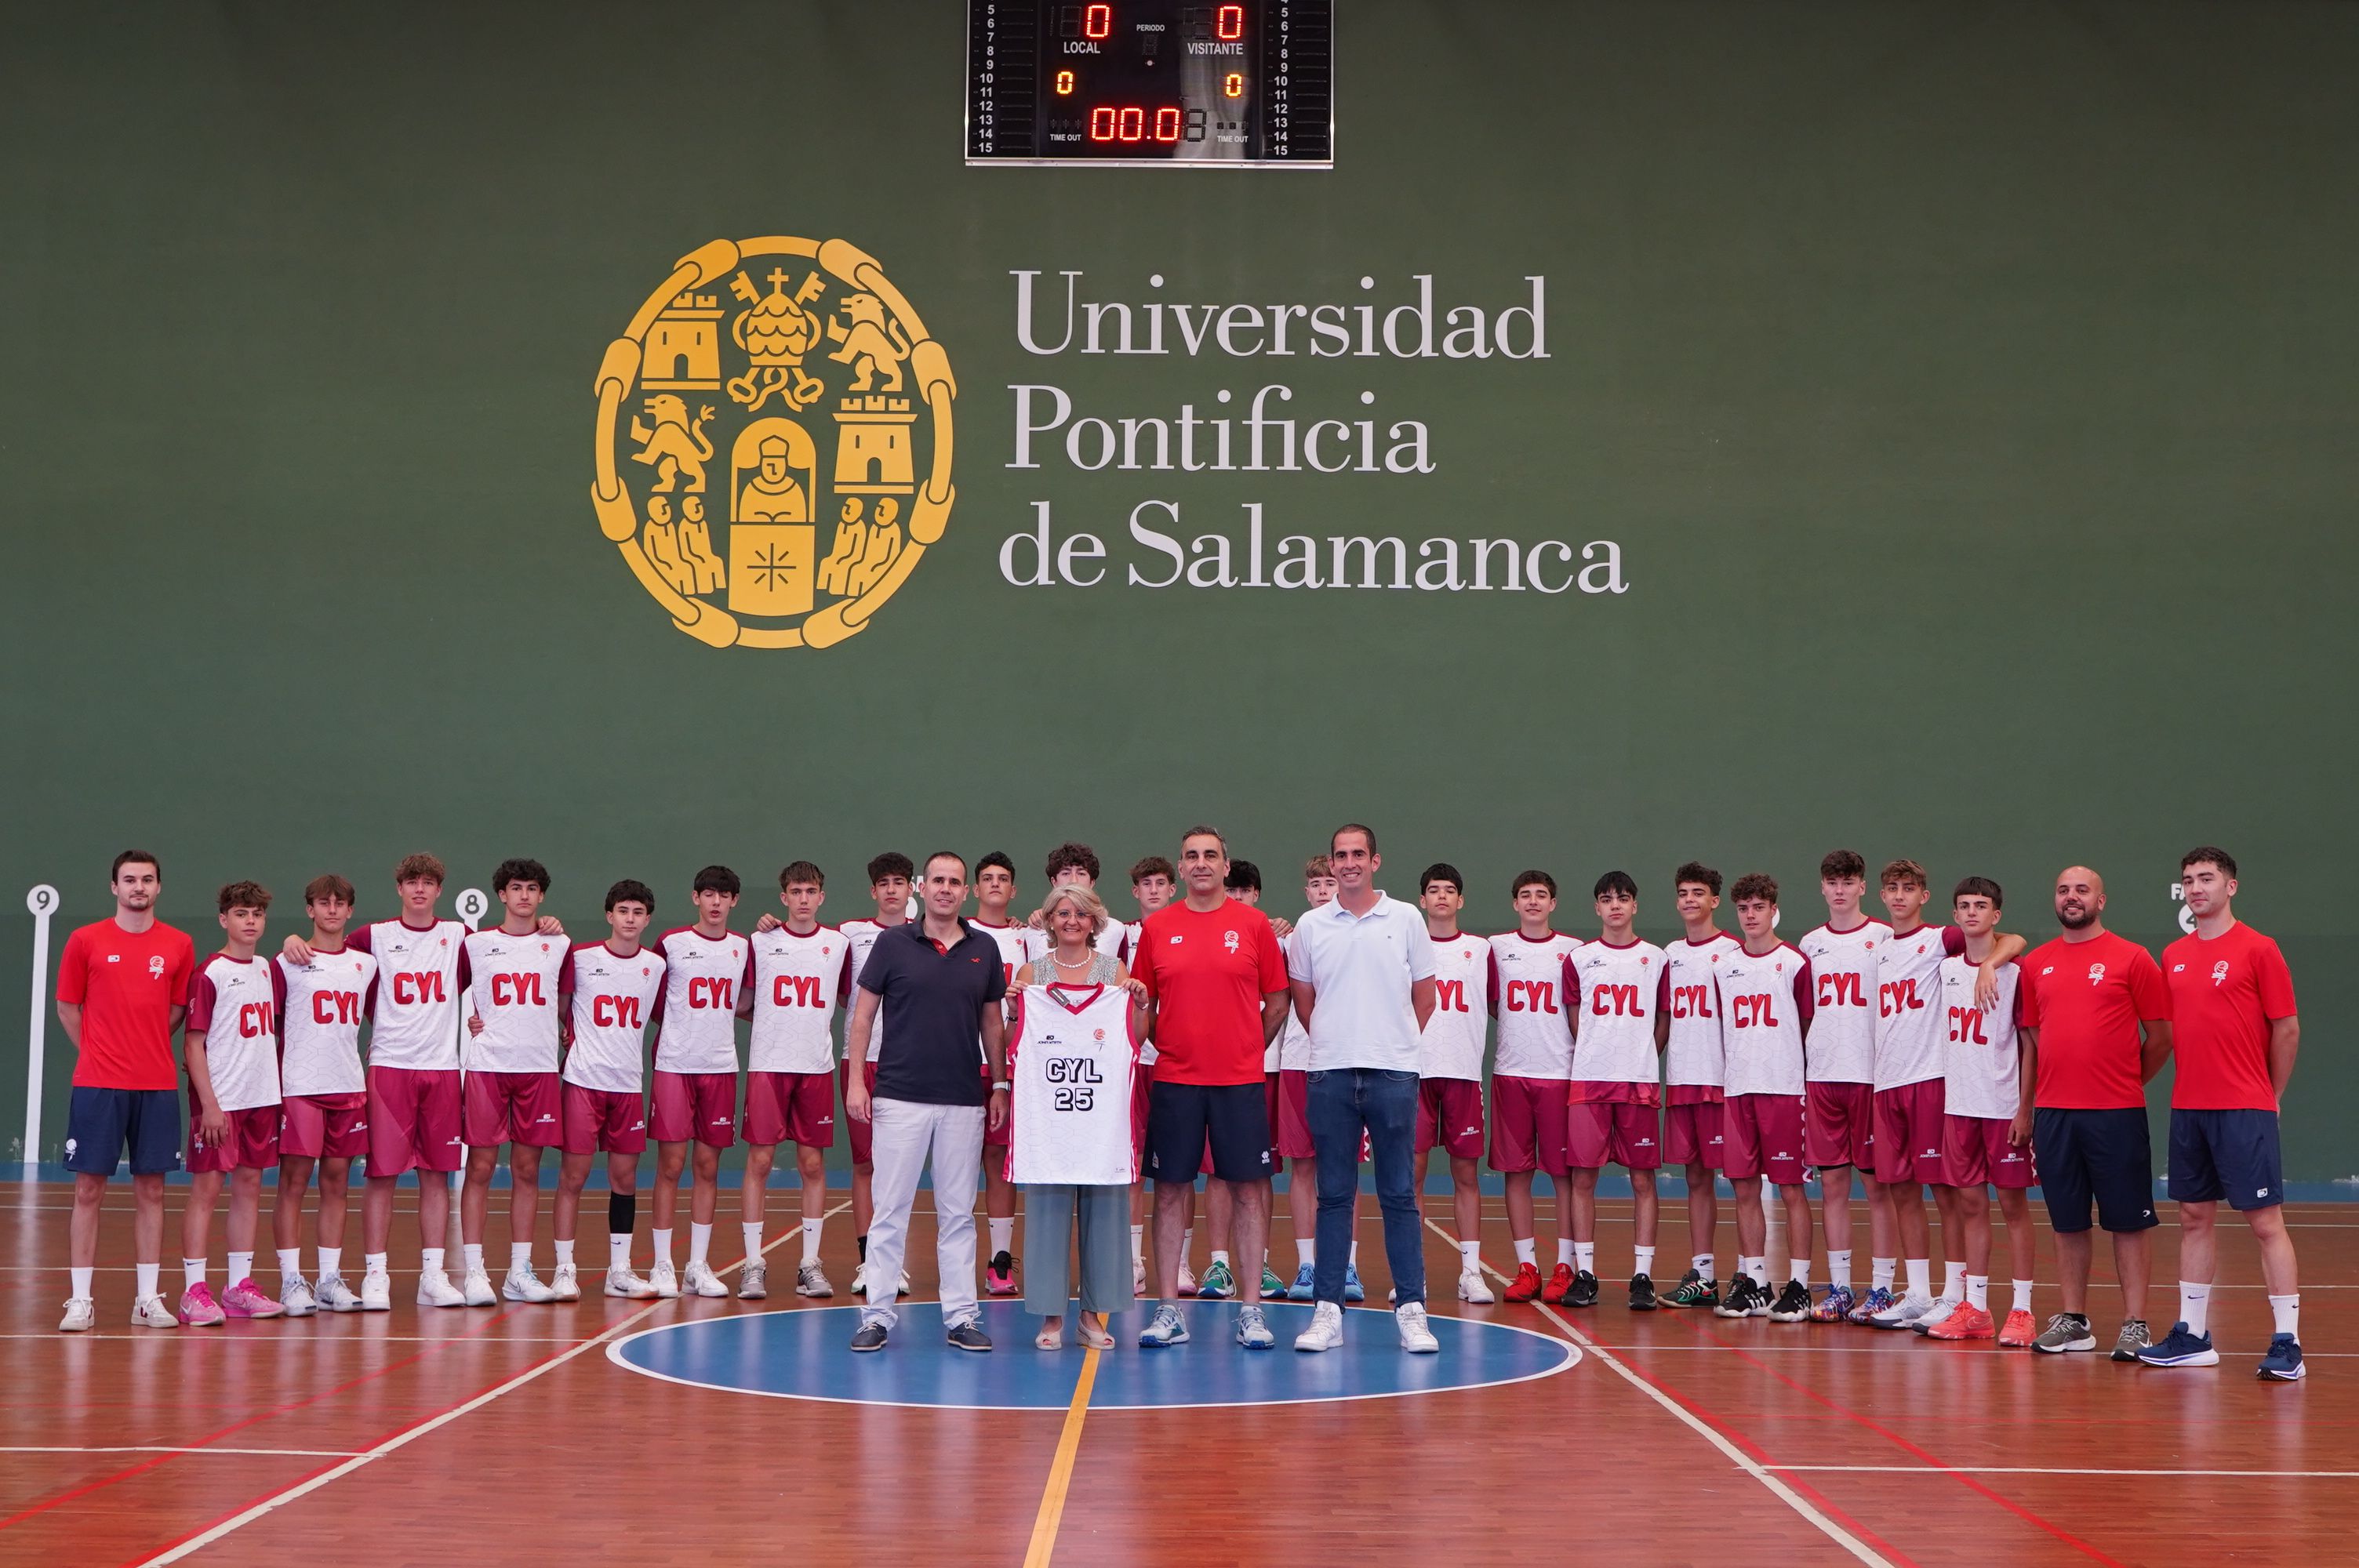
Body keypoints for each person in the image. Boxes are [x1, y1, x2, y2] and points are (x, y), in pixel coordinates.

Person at [285, 853, 476, 1311]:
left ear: (439, 890)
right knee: (382, 1176)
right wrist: (292, 937)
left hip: (442, 1069)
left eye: (428, 882)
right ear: (399, 888)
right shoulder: (371, 937)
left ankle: (434, 1275)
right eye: (411, 881)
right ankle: (376, 1274)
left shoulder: (459, 937)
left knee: (437, 1175)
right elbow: (329, 957)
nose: (419, 889)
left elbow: (497, 969)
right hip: (389, 1069)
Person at [2141, 847, 2303, 1379]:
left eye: (2206, 878)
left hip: (2244, 1107)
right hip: (2190, 1107)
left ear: (2230, 886)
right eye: (2188, 879)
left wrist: (2270, 1094)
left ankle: (2287, 1342)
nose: (2196, 887)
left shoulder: (2260, 949)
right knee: (2193, 1217)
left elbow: (2287, 1028)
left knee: (2264, 1223)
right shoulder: (2173, 955)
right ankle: (2192, 1334)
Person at [1130, 827, 1289, 1349]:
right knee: (1171, 1191)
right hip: (1176, 1080)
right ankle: (1169, 1310)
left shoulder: (1254, 925)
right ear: (1181, 867)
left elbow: (1278, 1002)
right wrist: (1171, 1045)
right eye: (1192, 856)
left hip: (1239, 1082)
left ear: (1226, 866)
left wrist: (1245, 1050)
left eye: (1211, 856)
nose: (1201, 864)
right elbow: (1142, 1005)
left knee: (1247, 1192)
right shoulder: (1157, 927)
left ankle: (1251, 1311)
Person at [846, 852, 1009, 1353]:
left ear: (966, 892)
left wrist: (999, 1084)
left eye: (954, 882)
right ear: (924, 886)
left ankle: (961, 1317)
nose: (945, 889)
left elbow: (992, 1024)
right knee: (890, 1210)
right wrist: (857, 1081)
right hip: (898, 1098)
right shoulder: (893, 944)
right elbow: (862, 1017)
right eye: (937, 880)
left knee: (958, 1213)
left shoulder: (985, 948)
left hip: (963, 1101)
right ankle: (876, 1315)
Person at [1286, 824, 1439, 1354]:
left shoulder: (1405, 919)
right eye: (1340, 855)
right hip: (1329, 1073)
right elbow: (1305, 1000)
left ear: (1375, 861)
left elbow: (1425, 995)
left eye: (1358, 854)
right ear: (1331, 864)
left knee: (1399, 1194)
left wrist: (1390, 1043)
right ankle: (1328, 1311)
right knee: (1334, 1196)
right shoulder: (1311, 926)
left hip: (1393, 1074)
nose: (1348, 863)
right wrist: (1338, 1040)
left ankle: (1412, 1311)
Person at [2020, 866, 2172, 1360]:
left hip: (2117, 1114)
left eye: (2082, 890)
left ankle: (2135, 1324)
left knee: (2128, 1222)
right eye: (2063, 889)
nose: (2071, 897)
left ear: (2101, 901)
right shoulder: (2036, 963)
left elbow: (2161, 1038)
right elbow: (2038, 1041)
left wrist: (2123, 1082)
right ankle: (2074, 1321)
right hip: (2056, 1115)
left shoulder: (2132, 958)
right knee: (2067, 1222)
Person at [1866, 860, 2023, 1331]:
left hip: (1932, 1080)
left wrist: (1991, 965)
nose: (1899, 896)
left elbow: (2011, 939)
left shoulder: (1941, 939)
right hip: (1887, 1082)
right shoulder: (1877, 951)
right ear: (1882, 895)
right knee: (1900, 1191)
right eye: (1891, 888)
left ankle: (1955, 1295)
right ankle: (1918, 1293)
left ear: (1924, 897)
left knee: (1947, 1193)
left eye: (1908, 888)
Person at [57, 851, 196, 1331]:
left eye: (148, 880)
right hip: (97, 1086)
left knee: (152, 1190)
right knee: (88, 1189)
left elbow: (178, 1010)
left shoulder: (179, 945)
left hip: (155, 1084)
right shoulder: (85, 940)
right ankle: (80, 1300)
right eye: (130, 879)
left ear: (159, 888)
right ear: (113, 887)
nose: (139, 887)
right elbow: (67, 1007)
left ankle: (146, 1300)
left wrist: (145, 1048)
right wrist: (99, 1052)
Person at [1010, 883, 1149, 1349]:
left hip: (1102, 1114)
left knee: (1106, 1214)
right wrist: (1015, 1006)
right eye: (1062, 913)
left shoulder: (1115, 971)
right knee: (1047, 1212)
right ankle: (1051, 1317)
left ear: (1095, 921)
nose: (1072, 921)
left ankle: (1093, 1316)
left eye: (1081, 914)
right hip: (1048, 1116)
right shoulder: (1033, 973)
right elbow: (1019, 1035)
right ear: (1049, 919)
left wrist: (1140, 1002)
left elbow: (1134, 1036)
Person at [1928, 877, 2037, 1345]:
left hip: (2002, 1107)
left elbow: (2031, 1047)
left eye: (1982, 906)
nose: (1972, 912)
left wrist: (2024, 1109)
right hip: (1959, 1107)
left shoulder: (2016, 973)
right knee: (1971, 1205)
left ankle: (2023, 1309)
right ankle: (1976, 1307)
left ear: (1996, 915)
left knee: (2013, 1208)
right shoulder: (1944, 969)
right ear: (1955, 916)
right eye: (1964, 906)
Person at [177, 881, 288, 1324]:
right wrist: (210, 1105)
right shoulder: (210, 973)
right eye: (241, 914)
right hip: (221, 1102)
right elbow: (192, 1045)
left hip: (261, 1099)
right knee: (206, 1192)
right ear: (224, 919)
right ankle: (192, 1291)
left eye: (257, 915)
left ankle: (238, 1287)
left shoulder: (265, 967)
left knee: (249, 1190)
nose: (250, 922)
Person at [459, 859, 569, 1305]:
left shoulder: (559, 945)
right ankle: (473, 1271)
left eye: (532, 888)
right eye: (516, 887)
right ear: (501, 895)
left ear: (541, 896)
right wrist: (469, 1018)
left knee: (527, 1170)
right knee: (480, 1169)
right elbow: (439, 993)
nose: (524, 895)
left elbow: (568, 1003)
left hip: (538, 1069)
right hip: (488, 1068)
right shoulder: (476, 944)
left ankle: (519, 1271)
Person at [270, 874, 377, 1314]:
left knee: (337, 1183)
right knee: (294, 1183)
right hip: (300, 1087)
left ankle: (329, 1279)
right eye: (322, 903)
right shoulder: (286, 961)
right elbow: (268, 1023)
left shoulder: (366, 965)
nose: (332, 909)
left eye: (340, 903)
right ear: (310, 910)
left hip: (349, 1087)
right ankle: (291, 1282)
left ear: (350, 911)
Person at [555, 880, 667, 1299]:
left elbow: (657, 1014)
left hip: (626, 1086)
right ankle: (565, 1270)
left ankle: (619, 1270)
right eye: (623, 911)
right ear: (609, 915)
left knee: (624, 1178)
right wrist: (569, 1032)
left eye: (638, 913)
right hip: (583, 1082)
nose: (630, 919)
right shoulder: (581, 958)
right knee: (573, 1177)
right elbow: (561, 1005)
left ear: (647, 919)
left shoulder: (654, 966)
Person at [1710, 873, 1816, 1323]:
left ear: (1774, 910)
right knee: (1744, 1188)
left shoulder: (1795, 962)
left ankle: (1800, 1286)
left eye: (1759, 908)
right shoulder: (1724, 966)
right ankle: (1754, 1282)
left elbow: (1809, 1024)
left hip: (1785, 1090)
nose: (1751, 916)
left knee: (1791, 1188)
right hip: (1739, 1090)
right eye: (1744, 909)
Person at [739, 861, 845, 1301]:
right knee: (760, 1162)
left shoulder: (838, 944)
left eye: (811, 891)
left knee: (813, 1166)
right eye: (796, 891)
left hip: (815, 1067)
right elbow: (742, 1001)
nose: (803, 898)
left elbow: (850, 998)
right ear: (784, 898)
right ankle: (753, 1264)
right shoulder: (760, 941)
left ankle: (809, 1264)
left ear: (822, 897)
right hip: (768, 1064)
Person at [1794, 851, 1890, 1324]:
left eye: (1848, 881)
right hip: (1824, 1078)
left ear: (1862, 887)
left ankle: (1884, 1288)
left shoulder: (1884, 937)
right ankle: (1839, 1287)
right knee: (1833, 1185)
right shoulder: (1810, 945)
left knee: (1877, 1188)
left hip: (1872, 1079)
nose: (1839, 889)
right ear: (1822, 887)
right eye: (1832, 881)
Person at [1563, 872, 1667, 1311]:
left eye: (1623, 898)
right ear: (1597, 908)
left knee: (1643, 1179)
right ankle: (1586, 1273)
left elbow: (1663, 1020)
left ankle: (1642, 1276)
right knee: (1583, 1177)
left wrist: (1643, 1055)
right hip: (1589, 1081)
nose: (1616, 906)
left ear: (1635, 905)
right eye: (1607, 899)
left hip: (1637, 1082)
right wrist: (1597, 1054)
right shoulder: (1579, 959)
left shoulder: (1656, 959)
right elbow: (1573, 1017)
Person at [648, 866, 750, 1298]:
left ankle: (698, 1265)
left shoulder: (744, 948)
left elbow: (747, 999)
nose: (715, 902)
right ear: (695, 898)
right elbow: (650, 998)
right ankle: (662, 1265)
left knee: (707, 1167)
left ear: (733, 902)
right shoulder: (671, 943)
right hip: (674, 1065)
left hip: (720, 1067)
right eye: (707, 894)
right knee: (670, 1167)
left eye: (723, 895)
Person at [1488, 870, 1582, 1304]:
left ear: (1553, 903)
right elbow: (1492, 1004)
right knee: (1517, 1173)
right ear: (1514, 903)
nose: (1532, 902)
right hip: (1511, 1073)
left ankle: (1566, 1265)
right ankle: (1527, 1267)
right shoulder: (1497, 948)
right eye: (1524, 895)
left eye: (1541, 895)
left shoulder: (1573, 952)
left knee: (1563, 1174)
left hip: (1559, 1075)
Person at [1276, 855, 1361, 1301]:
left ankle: (1347, 1266)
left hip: (1348, 1061)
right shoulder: (1293, 939)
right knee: (1303, 1166)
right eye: (1317, 883)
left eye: (1331, 881)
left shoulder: (1358, 936)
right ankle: (1308, 1266)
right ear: (1307, 892)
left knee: (1344, 1167)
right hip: (1298, 1061)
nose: (1325, 889)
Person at [1657, 863, 1737, 1308]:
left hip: (1724, 1083)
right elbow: (1665, 1019)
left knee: (1742, 1181)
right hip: (1683, 1081)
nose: (1690, 900)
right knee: (1695, 1180)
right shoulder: (1671, 954)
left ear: (1714, 901)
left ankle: (1750, 1274)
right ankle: (1704, 1276)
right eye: (1683, 892)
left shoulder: (1733, 952)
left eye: (1698, 893)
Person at [1415, 864, 1494, 1304]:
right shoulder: (1407, 947)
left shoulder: (1482, 950)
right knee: (1413, 1176)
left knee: (1466, 1174)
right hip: (1414, 1074)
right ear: (1422, 901)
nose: (1442, 896)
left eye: (1450, 890)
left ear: (1460, 901)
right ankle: (1414, 1275)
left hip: (1462, 1073)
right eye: (1433, 890)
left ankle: (1470, 1272)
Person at [835, 851, 913, 1297]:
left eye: (898, 882)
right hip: (862, 1061)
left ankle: (894, 1262)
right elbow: (848, 996)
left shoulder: (927, 934)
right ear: (873, 891)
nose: (890, 889)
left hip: (910, 1063)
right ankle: (868, 1262)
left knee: (899, 1169)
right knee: (865, 1164)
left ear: (910, 889)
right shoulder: (849, 935)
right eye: (883, 882)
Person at [969, 851, 1045, 1298]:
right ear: (974, 890)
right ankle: (956, 1260)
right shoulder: (956, 934)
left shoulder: (1028, 940)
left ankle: (1000, 1261)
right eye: (987, 879)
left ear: (1013, 891)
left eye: (1003, 879)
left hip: (1008, 1066)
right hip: (958, 1064)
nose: (995, 884)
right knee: (956, 1168)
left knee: (1000, 1165)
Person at [1219, 858, 1293, 1301]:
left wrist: (1250, 1049)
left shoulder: (1270, 935)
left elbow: (1279, 1003)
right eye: (1234, 890)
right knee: (1213, 1173)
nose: (1238, 898)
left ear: (1257, 896)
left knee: (1257, 1174)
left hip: (1257, 1071)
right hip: (1202, 1074)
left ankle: (1260, 1264)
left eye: (1246, 891)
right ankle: (1218, 1264)